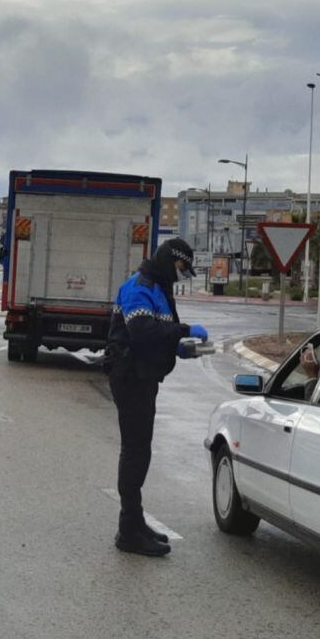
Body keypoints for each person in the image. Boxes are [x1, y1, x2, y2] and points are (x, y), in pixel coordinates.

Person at [103, 238, 208, 557]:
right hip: (130, 376)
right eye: (179, 268)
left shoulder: (159, 288)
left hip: (143, 376)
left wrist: (178, 349)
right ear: (169, 261)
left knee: (141, 450)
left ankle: (134, 523)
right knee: (135, 452)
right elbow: (142, 332)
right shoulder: (140, 287)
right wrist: (184, 331)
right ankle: (129, 530)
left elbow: (155, 336)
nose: (179, 275)